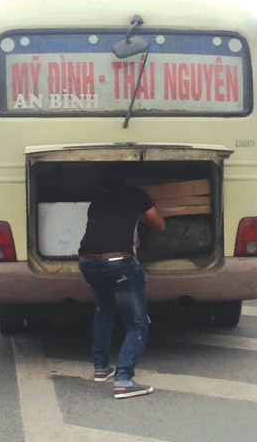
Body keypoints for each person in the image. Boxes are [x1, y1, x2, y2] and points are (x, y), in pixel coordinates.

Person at [77, 163, 165, 399]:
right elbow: (159, 224)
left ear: (102, 184)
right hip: (119, 264)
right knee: (138, 324)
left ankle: (101, 367)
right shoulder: (136, 195)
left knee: (104, 307)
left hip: (87, 262)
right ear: (126, 180)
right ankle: (124, 379)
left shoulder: (96, 202)